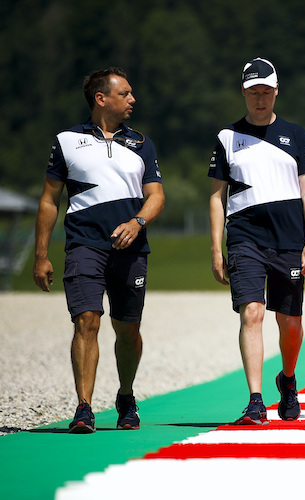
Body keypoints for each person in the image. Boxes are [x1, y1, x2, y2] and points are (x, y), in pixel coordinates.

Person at [32, 67, 165, 434]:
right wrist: (41, 254)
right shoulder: (65, 141)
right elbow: (49, 200)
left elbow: (157, 197)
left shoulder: (142, 143)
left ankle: (125, 396)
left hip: (132, 249)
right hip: (83, 245)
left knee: (128, 330)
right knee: (86, 321)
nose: (133, 100)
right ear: (101, 99)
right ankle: (84, 407)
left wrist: (137, 222)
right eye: (125, 94)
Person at [209, 57, 305, 425]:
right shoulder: (227, 137)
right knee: (252, 312)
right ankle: (256, 400)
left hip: (289, 239)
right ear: (243, 92)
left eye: (266, 92)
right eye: (253, 92)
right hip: (245, 238)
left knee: (290, 322)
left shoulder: (297, 135)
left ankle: (287, 380)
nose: (260, 99)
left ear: (277, 91)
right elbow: (216, 196)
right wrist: (215, 249)